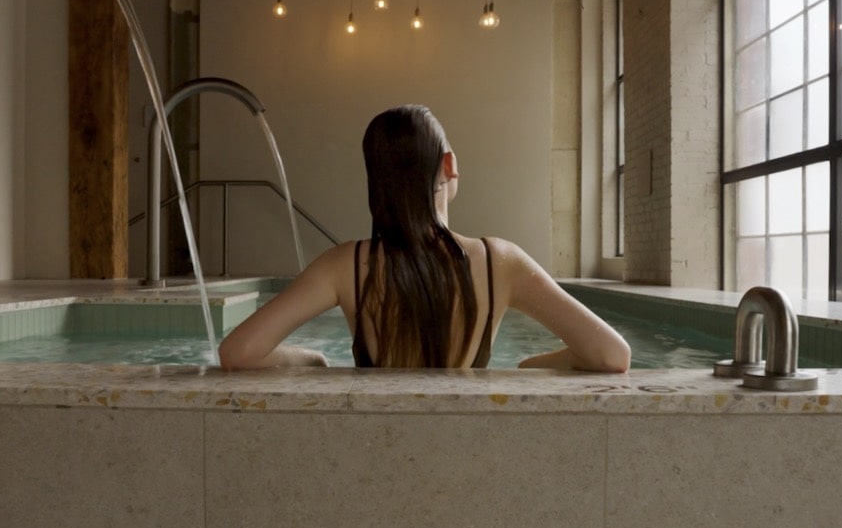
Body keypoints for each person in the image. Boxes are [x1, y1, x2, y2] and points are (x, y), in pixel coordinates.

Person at [218, 105, 631, 372]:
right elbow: (612, 355)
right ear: (448, 165)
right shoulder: (500, 262)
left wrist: (314, 361)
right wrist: (529, 367)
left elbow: (239, 353)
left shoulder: (344, 265)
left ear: (376, 179)